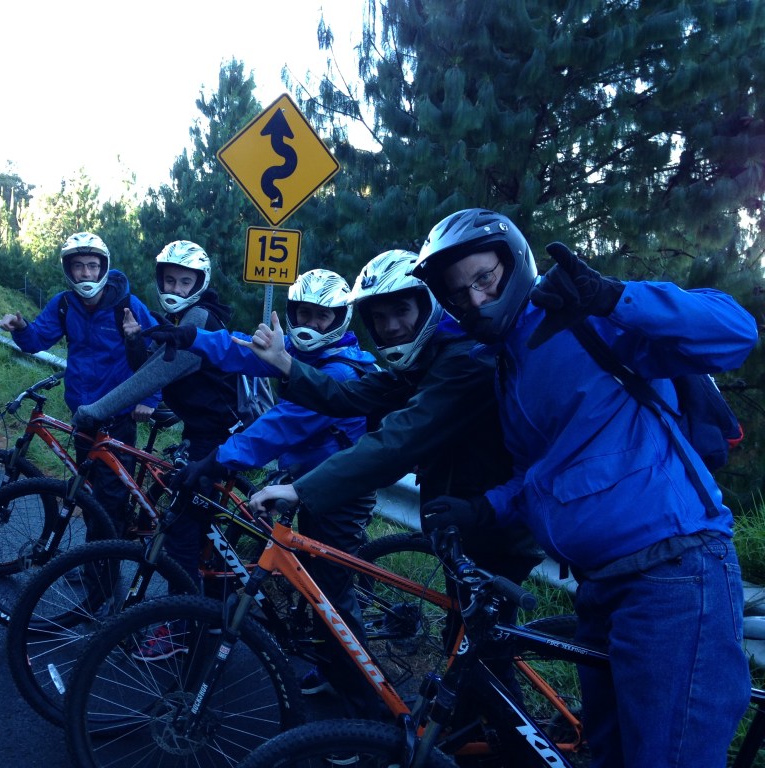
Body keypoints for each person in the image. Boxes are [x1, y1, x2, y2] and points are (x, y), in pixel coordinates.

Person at [409, 207, 757, 768]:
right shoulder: (510, 365)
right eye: (457, 293)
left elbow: (736, 332)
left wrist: (614, 297)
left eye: (484, 278)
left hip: (671, 572)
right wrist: (484, 509)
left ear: (513, 262)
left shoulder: (587, 318)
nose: (473, 299)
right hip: (598, 589)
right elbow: (547, 472)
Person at [242, 249, 542, 701]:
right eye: (378, 317)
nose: (390, 327)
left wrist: (301, 488)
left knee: (485, 666)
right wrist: (285, 364)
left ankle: (508, 749)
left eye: (400, 310)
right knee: (467, 651)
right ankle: (471, 736)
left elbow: (395, 442)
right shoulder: (429, 358)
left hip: (496, 526)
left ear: (428, 304)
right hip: (466, 521)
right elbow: (350, 394)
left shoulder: (462, 361)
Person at [143, 268, 381, 713]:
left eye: (321, 317)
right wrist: (191, 339)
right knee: (308, 579)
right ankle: (332, 664)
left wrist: (214, 460)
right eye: (302, 315)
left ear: (340, 319)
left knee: (331, 596)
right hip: (305, 481)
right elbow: (240, 349)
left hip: (340, 492)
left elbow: (275, 428)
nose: (309, 326)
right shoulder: (298, 350)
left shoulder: (342, 371)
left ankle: (361, 701)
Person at [72, 239, 242, 612]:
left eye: (184, 282)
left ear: (199, 283)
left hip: (215, 438)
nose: (174, 289)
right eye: (169, 281)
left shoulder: (199, 319)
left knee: (179, 529)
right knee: (190, 518)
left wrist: (95, 410)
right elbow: (150, 366)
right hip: (203, 431)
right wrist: (134, 340)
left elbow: (151, 379)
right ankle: (212, 601)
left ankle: (182, 626)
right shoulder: (183, 319)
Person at [0, 232, 161, 536]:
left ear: (103, 268)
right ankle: (92, 559)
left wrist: (150, 399)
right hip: (84, 414)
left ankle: (103, 573)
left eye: (92, 265)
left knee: (110, 500)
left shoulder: (127, 305)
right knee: (87, 491)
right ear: (68, 269)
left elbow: (157, 355)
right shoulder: (64, 304)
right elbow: (35, 341)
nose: (86, 273)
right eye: (78, 266)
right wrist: (20, 327)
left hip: (119, 416)